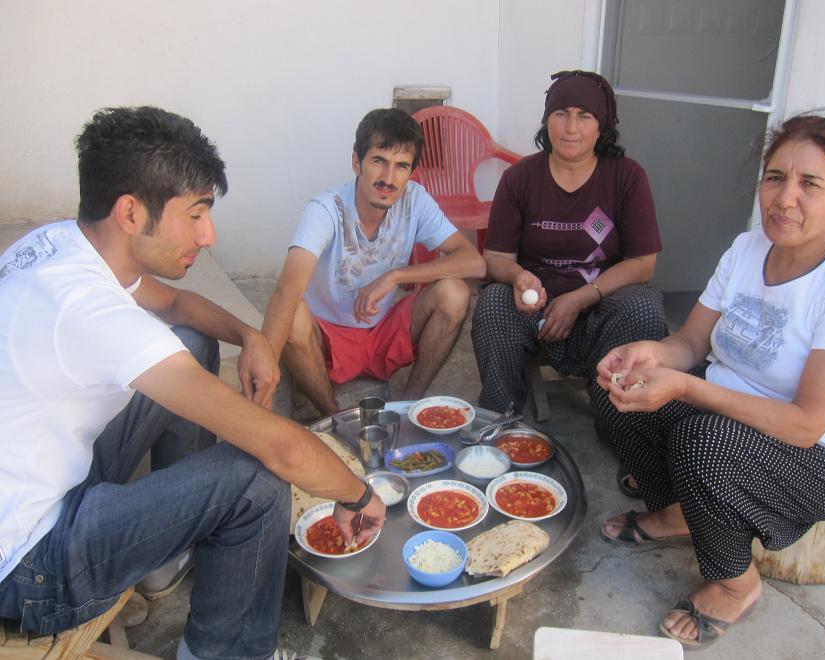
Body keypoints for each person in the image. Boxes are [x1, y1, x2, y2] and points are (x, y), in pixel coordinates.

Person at [0, 106, 385, 660]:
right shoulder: (88, 311)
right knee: (258, 476)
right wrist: (358, 494)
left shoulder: (67, 245)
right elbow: (279, 446)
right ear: (130, 212)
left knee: (192, 342)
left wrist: (250, 336)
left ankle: (164, 559)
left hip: (44, 482)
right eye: (196, 214)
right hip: (30, 565)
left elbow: (177, 304)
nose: (209, 234)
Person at [591, 111, 825, 649]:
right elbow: (690, 343)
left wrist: (686, 387)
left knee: (704, 443)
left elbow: (806, 424)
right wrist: (649, 355)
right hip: (730, 411)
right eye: (776, 177)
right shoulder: (748, 248)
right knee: (616, 393)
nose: (785, 198)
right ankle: (680, 515)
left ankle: (734, 583)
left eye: (810, 184)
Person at [260, 108, 485, 416]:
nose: (389, 179)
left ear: (412, 172)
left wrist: (395, 276)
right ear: (357, 162)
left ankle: (408, 407)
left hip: (383, 333)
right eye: (379, 161)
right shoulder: (325, 209)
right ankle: (334, 419)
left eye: (401, 166)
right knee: (295, 314)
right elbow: (286, 291)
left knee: (454, 293)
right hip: (328, 341)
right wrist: (265, 368)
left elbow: (474, 262)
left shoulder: (415, 200)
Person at [471, 70, 667, 421]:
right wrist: (518, 277)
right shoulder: (519, 179)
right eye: (561, 114)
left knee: (643, 308)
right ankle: (499, 418)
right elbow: (496, 256)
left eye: (584, 116)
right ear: (547, 120)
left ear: (601, 126)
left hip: (602, 303)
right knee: (493, 303)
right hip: (535, 307)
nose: (571, 127)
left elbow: (643, 263)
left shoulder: (626, 176)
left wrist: (578, 299)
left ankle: (620, 419)